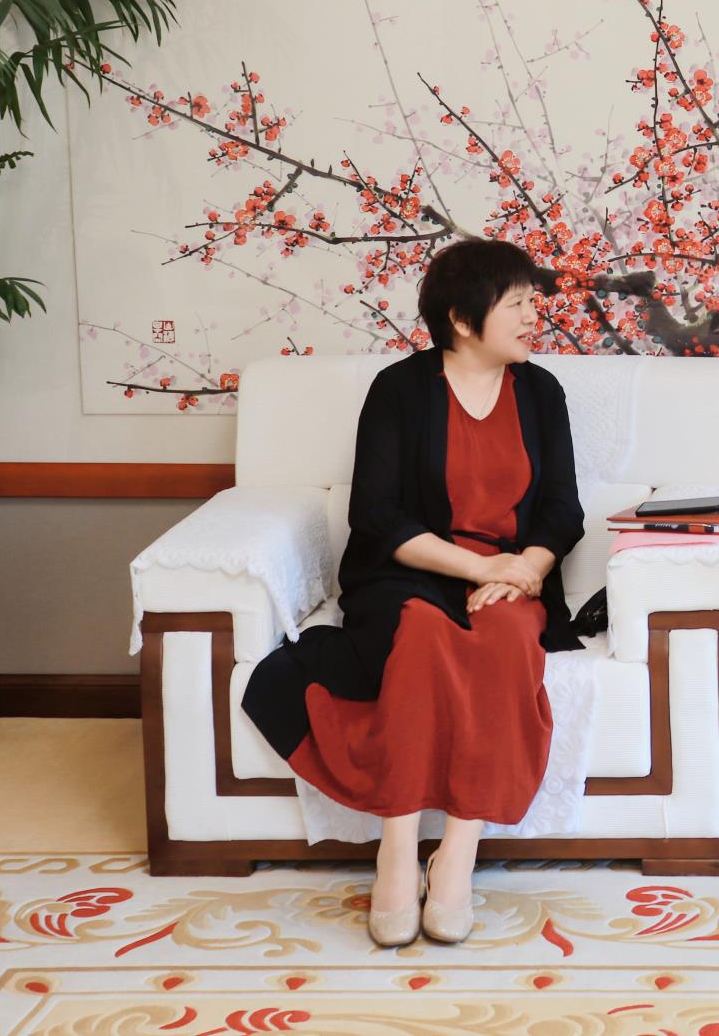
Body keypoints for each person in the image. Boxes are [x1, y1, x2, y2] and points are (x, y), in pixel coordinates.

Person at [241, 238, 603, 947]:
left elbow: (563, 510)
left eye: (533, 301)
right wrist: (477, 570)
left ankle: (457, 858)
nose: (534, 315)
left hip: (509, 575)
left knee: (507, 639)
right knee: (421, 636)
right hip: (409, 571)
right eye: (518, 304)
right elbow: (377, 515)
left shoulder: (541, 392)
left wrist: (524, 570)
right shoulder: (399, 389)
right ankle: (397, 850)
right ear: (462, 320)